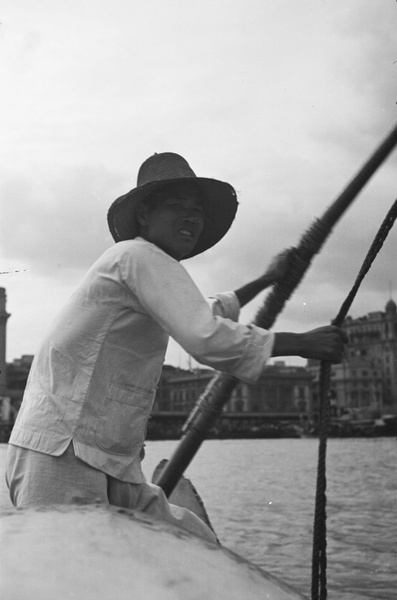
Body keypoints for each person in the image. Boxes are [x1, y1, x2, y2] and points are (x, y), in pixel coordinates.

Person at [6, 152, 347, 543]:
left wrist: (267, 278)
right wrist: (302, 343)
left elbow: (204, 313)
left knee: (198, 544)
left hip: (111, 464)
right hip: (62, 457)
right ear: (144, 216)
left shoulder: (146, 266)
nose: (191, 217)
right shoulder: (136, 256)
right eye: (177, 206)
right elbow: (205, 334)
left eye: (197, 210)